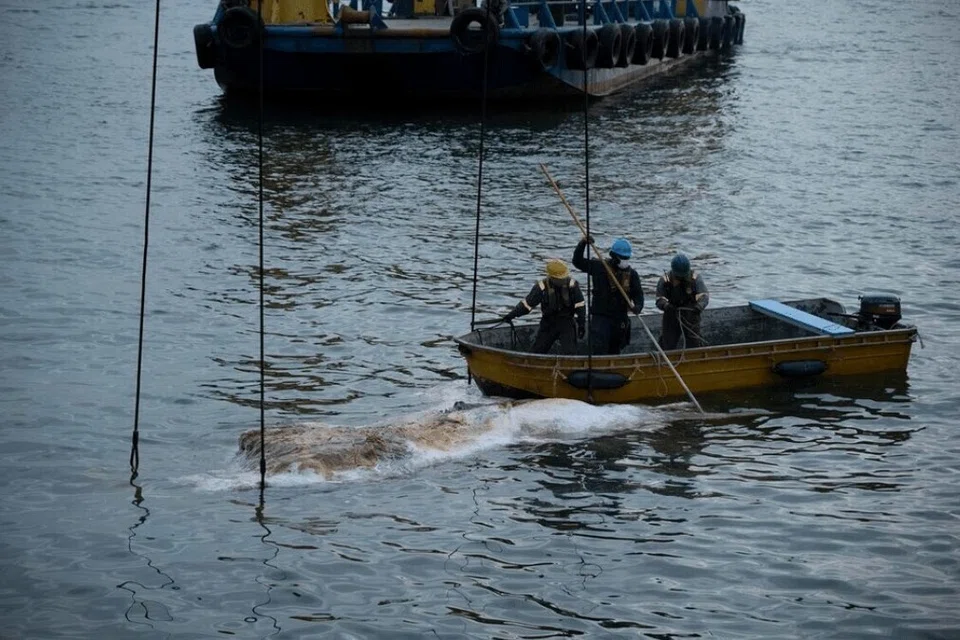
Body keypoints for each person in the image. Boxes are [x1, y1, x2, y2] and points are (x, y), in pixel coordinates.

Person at [572, 236, 644, 355]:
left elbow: (638, 294)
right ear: (615, 257)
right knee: (599, 348)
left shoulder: (632, 274)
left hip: (620, 318)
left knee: (615, 349)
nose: (625, 260)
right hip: (601, 318)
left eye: (627, 258)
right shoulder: (599, 267)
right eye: (623, 258)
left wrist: (638, 306)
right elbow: (578, 262)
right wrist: (583, 244)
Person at [501, 259, 586, 354]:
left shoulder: (572, 285)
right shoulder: (541, 287)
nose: (561, 280)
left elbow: (580, 306)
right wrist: (511, 315)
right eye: (559, 278)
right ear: (551, 277)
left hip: (567, 323)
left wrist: (581, 324)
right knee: (537, 351)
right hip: (548, 323)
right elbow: (527, 305)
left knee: (570, 353)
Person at [655, 253, 710, 350]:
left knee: (694, 342)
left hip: (691, 313)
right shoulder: (665, 280)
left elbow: (704, 296)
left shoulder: (695, 278)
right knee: (668, 343)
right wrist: (666, 306)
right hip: (672, 313)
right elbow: (659, 298)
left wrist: (699, 306)